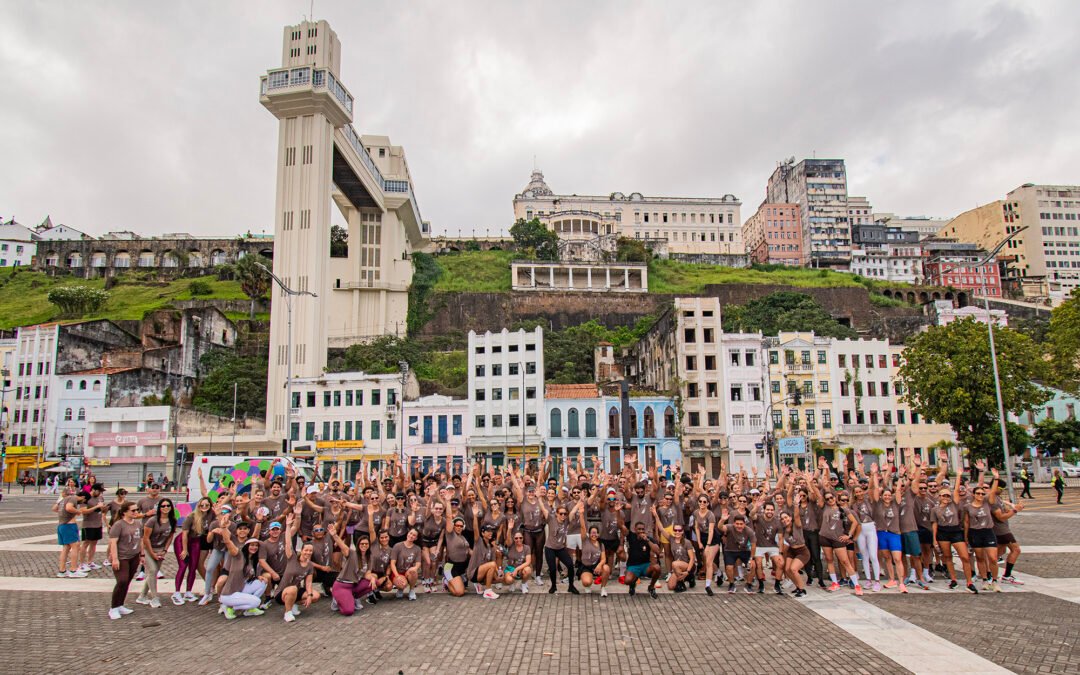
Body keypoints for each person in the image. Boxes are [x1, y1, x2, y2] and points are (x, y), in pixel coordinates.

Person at [931, 478, 974, 593]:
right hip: (943, 532)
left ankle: (969, 582)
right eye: (943, 496)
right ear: (939, 497)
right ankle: (953, 579)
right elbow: (934, 524)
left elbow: (955, 491)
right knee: (947, 557)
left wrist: (958, 476)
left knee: (964, 557)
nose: (946, 498)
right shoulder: (935, 509)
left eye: (947, 496)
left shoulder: (954, 504)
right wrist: (934, 539)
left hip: (955, 531)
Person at [278, 512, 320, 622]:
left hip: (296, 591)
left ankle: (293, 604)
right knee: (292, 589)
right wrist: (287, 526)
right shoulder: (292, 558)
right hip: (283, 592)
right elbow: (288, 543)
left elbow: (308, 582)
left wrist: (310, 595)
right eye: (306, 550)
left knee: (315, 595)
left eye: (310, 551)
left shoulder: (310, 565)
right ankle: (287, 612)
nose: (308, 552)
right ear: (301, 551)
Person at [136, 497, 177, 608]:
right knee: (153, 570)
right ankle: (155, 598)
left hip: (160, 550)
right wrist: (149, 553)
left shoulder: (172, 520)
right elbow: (146, 538)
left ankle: (142, 596)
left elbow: (170, 537)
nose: (166, 508)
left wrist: (164, 550)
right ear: (159, 508)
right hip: (149, 548)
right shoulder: (152, 520)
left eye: (168, 505)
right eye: (163, 506)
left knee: (152, 574)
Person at [218, 531, 267, 619]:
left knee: (262, 582)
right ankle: (229, 607)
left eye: (256, 545)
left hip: (239, 589)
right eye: (252, 545)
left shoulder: (252, 559)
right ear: (247, 546)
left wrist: (258, 577)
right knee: (256, 602)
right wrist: (224, 528)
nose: (254, 547)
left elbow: (247, 575)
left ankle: (248, 610)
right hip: (229, 594)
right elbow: (228, 542)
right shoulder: (239, 555)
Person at [536, 496, 580, 594]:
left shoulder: (566, 521)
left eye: (565, 514)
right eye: (561, 514)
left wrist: (581, 500)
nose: (563, 515)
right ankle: (553, 586)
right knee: (552, 568)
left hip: (560, 548)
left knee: (570, 565)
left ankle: (571, 586)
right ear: (557, 514)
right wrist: (539, 497)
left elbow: (573, 511)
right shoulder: (551, 519)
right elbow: (543, 508)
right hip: (550, 548)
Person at [173, 497, 212, 604]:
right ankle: (176, 592)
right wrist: (185, 550)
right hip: (183, 541)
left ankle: (188, 591)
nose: (204, 507)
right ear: (198, 506)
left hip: (196, 541)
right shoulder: (191, 516)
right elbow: (184, 534)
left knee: (193, 566)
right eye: (202, 505)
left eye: (207, 505)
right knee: (183, 565)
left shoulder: (209, 516)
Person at [107, 502, 143, 619]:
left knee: (127, 581)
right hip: (122, 557)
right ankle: (113, 608)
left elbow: (140, 540)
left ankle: (120, 604)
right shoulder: (118, 525)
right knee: (121, 581)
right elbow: (113, 542)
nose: (136, 512)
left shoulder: (138, 523)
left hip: (134, 556)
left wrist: (142, 555)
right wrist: (115, 558)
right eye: (133, 510)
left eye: (137, 510)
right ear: (125, 512)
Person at [329, 528, 372, 616]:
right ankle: (337, 600)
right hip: (342, 585)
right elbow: (342, 545)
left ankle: (353, 597)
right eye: (362, 543)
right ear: (358, 545)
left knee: (372, 583)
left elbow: (368, 574)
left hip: (353, 585)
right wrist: (334, 535)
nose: (364, 545)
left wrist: (374, 580)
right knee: (348, 611)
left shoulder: (369, 558)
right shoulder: (352, 554)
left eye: (366, 544)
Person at [577, 503, 610, 596]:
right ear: (589, 533)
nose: (594, 534)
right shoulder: (585, 540)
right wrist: (581, 514)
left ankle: (603, 588)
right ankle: (587, 585)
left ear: (598, 534)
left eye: (596, 533)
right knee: (587, 582)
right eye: (592, 533)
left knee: (606, 568)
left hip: (596, 566)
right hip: (586, 567)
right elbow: (583, 527)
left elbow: (603, 559)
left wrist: (599, 565)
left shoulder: (601, 544)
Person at [54, 488, 86, 578]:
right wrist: (78, 511)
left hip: (61, 525)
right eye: (83, 499)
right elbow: (69, 508)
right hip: (69, 525)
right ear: (82, 497)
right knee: (75, 546)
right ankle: (73, 570)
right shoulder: (72, 498)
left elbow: (55, 508)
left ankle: (62, 570)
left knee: (66, 547)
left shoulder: (63, 499)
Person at [624, 521, 661, 598]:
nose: (641, 531)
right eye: (639, 529)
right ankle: (633, 584)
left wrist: (647, 540)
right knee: (627, 581)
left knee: (657, 568)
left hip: (645, 566)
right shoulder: (631, 537)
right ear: (635, 529)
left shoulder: (649, 539)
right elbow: (621, 526)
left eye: (642, 529)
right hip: (633, 566)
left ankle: (651, 587)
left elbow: (657, 551)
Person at [78, 483, 107, 573]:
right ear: (93, 490)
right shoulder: (86, 497)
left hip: (98, 523)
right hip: (88, 524)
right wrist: (96, 507)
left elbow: (103, 511)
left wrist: (104, 508)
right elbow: (83, 511)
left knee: (94, 543)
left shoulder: (100, 498)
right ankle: (82, 563)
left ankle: (90, 562)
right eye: (99, 491)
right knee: (86, 543)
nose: (100, 493)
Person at [467, 524, 501, 599]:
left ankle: (481, 585)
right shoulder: (478, 541)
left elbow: (493, 563)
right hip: (473, 573)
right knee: (493, 566)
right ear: (482, 533)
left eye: (491, 531)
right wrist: (475, 516)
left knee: (500, 577)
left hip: (482, 573)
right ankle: (488, 591)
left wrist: (497, 575)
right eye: (488, 531)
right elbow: (475, 528)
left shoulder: (491, 547)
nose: (490, 533)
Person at [389, 527, 423, 600]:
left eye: (414, 535)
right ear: (407, 533)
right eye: (410, 533)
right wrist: (397, 576)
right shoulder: (397, 546)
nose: (411, 536)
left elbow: (418, 564)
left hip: (408, 572)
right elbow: (392, 563)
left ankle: (411, 590)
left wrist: (413, 568)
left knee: (413, 572)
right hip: (398, 572)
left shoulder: (417, 548)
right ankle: (400, 589)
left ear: (416, 538)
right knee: (402, 584)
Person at [502, 526, 533, 594]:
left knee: (528, 570)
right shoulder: (510, 546)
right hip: (510, 568)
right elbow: (508, 539)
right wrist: (509, 529)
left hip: (521, 569)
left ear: (523, 538)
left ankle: (523, 584)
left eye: (520, 538)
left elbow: (528, 562)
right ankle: (512, 583)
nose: (518, 539)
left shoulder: (527, 548)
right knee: (509, 580)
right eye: (516, 538)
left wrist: (516, 569)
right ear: (513, 539)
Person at [665, 522, 694, 594]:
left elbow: (692, 558)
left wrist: (687, 571)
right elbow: (662, 529)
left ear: (683, 531)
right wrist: (656, 516)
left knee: (674, 563)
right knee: (671, 586)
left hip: (688, 566)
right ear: (673, 531)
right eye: (675, 530)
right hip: (677, 568)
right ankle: (689, 579)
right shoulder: (671, 539)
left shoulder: (687, 542)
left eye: (679, 530)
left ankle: (682, 583)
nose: (677, 532)